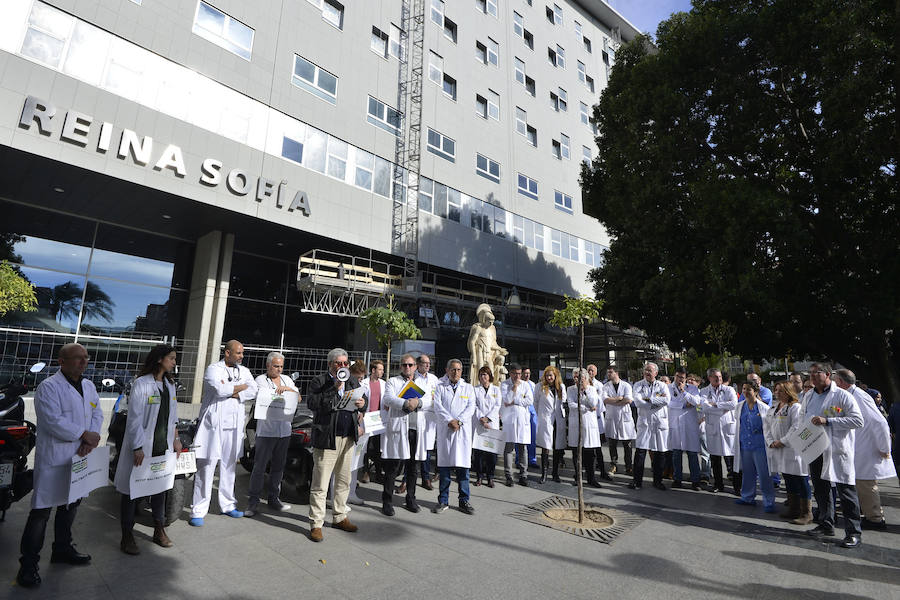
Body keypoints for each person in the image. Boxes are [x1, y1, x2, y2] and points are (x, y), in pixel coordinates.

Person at [16, 343, 104, 588]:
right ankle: (28, 566)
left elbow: (96, 414)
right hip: (56, 459)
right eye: (77, 358)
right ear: (61, 361)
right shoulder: (48, 387)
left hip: (79, 456)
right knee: (41, 512)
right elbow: (52, 420)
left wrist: (92, 437)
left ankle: (62, 549)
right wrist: (83, 435)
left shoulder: (88, 386)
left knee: (72, 504)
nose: (83, 362)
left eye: (85, 358)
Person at [115, 344, 180, 555]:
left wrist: (177, 440)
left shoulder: (169, 385)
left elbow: (173, 418)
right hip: (143, 446)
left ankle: (159, 529)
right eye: (171, 358)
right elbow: (134, 419)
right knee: (132, 491)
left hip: (163, 446)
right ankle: (127, 535)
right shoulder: (141, 384)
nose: (173, 362)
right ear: (160, 359)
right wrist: (137, 447)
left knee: (160, 488)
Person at [190, 340, 257, 525]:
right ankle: (198, 510)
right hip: (214, 425)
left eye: (242, 353)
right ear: (227, 353)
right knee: (207, 466)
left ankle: (228, 505)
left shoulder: (243, 371)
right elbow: (219, 389)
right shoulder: (214, 369)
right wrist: (240, 387)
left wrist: (237, 391)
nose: (241, 356)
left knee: (229, 466)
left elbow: (254, 389)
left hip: (234, 425)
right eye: (238, 353)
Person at [306, 348, 365, 542]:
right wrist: (334, 387)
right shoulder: (319, 381)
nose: (343, 367)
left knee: (343, 480)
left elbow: (361, 403)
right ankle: (316, 523)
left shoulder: (352, 381)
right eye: (339, 363)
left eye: (345, 363)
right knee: (321, 483)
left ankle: (340, 516)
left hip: (347, 438)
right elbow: (313, 404)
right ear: (330, 364)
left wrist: (361, 404)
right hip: (327, 439)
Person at [803, 363, 864, 548]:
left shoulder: (842, 395)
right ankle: (826, 524)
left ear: (828, 374)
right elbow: (803, 419)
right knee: (821, 489)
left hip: (837, 451)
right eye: (810, 373)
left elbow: (857, 420)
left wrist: (828, 421)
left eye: (816, 373)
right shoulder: (808, 395)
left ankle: (853, 532)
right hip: (816, 449)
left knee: (846, 492)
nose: (812, 376)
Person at [837, 373, 894, 530]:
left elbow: (880, 422)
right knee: (860, 485)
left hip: (867, 449)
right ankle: (867, 512)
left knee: (866, 485)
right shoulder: (850, 395)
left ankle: (875, 519)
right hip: (857, 448)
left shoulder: (859, 397)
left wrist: (885, 448)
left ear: (841, 382)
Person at [246, 351, 299, 517]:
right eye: (276, 366)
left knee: (278, 466)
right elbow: (260, 397)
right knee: (259, 467)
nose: (279, 369)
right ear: (268, 365)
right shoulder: (261, 380)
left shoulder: (287, 380)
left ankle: (274, 498)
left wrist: (288, 389)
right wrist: (277, 392)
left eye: (281, 366)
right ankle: (253, 501)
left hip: (284, 430)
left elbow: (298, 397)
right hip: (266, 431)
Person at [381, 354, 424, 515]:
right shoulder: (393, 381)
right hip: (399, 430)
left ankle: (411, 499)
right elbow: (388, 399)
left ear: (415, 367)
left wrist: (418, 402)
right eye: (405, 365)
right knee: (393, 468)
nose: (408, 368)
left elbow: (431, 401)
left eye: (410, 365)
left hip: (416, 430)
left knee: (413, 468)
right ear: (401, 367)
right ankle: (387, 501)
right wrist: (406, 403)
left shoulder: (421, 382)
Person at [433, 360, 476, 514]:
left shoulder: (468, 388)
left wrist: (459, 421)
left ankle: (464, 501)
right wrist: (449, 420)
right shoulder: (440, 387)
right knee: (444, 469)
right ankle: (443, 501)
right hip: (446, 430)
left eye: (458, 370)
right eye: (453, 369)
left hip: (462, 431)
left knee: (463, 470)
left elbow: (471, 407)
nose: (456, 372)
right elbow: (438, 406)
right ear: (447, 370)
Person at [764, 381, 811, 523]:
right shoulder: (773, 408)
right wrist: (770, 441)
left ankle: (806, 513)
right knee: (789, 480)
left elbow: (796, 427)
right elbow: (766, 426)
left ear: (789, 392)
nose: (777, 393)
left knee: (801, 480)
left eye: (781, 391)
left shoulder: (795, 407)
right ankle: (793, 509)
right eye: (776, 390)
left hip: (792, 449)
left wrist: (782, 441)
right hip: (778, 450)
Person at [733, 380, 775, 512]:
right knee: (748, 473)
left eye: (748, 389)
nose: (745, 391)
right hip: (745, 444)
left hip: (760, 446)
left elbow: (770, 428)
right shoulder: (739, 406)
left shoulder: (764, 408)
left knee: (764, 475)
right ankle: (747, 497)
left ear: (756, 392)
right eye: (744, 389)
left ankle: (768, 502)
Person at [629, 363, 670, 490]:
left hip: (659, 423)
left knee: (659, 453)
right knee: (640, 452)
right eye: (646, 370)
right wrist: (656, 401)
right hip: (645, 423)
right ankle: (637, 481)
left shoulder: (662, 385)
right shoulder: (638, 385)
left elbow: (667, 400)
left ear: (656, 373)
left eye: (650, 370)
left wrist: (648, 400)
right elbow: (637, 402)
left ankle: (658, 481)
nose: (647, 372)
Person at [700, 368, 738, 493]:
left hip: (727, 427)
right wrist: (723, 406)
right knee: (715, 459)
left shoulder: (729, 389)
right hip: (713, 428)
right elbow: (704, 407)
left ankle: (738, 486)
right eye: (715, 377)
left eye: (720, 377)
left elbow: (733, 404)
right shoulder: (704, 391)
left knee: (732, 458)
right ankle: (718, 484)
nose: (718, 379)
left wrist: (715, 404)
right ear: (709, 378)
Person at [567, 368, 604, 488]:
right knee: (577, 454)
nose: (577, 380)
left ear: (585, 378)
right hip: (576, 424)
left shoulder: (592, 389)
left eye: (579, 377)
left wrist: (586, 390)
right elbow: (571, 404)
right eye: (575, 377)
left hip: (588, 424)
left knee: (590, 454)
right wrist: (585, 408)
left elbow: (593, 403)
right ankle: (578, 478)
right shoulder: (570, 389)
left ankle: (591, 478)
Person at [667, 368, 703, 490]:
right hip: (675, 424)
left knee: (692, 454)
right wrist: (683, 405)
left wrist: (685, 393)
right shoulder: (668, 388)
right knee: (676, 454)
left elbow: (697, 401)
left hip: (689, 425)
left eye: (682, 377)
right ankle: (677, 479)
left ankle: (695, 481)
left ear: (685, 378)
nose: (679, 379)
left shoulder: (692, 389)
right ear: (674, 376)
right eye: (677, 376)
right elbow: (668, 403)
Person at [501, 364, 533, 486]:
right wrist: (514, 388)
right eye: (515, 373)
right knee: (509, 448)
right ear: (510, 373)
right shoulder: (504, 385)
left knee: (522, 448)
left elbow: (529, 400)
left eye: (520, 373)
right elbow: (506, 401)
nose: (518, 376)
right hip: (509, 420)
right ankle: (509, 475)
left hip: (522, 420)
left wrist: (517, 401)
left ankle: (523, 475)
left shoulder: (525, 385)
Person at [534, 366, 566, 483]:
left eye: (551, 375)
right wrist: (541, 415)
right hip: (546, 419)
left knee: (557, 448)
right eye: (547, 375)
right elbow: (535, 402)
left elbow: (563, 402)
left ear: (555, 375)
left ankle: (555, 473)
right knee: (545, 448)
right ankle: (544, 474)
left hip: (558, 419)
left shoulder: (561, 387)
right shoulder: (539, 387)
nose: (549, 378)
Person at [413, 354, 440, 491]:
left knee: (427, 449)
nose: (428, 365)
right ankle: (407, 480)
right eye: (425, 363)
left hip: (430, 419)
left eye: (429, 363)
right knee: (413, 449)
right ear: (418, 364)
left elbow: (438, 397)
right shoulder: (413, 378)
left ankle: (425, 479)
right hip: (416, 417)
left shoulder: (434, 379)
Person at [603, 366, 635, 476]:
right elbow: (605, 400)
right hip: (612, 418)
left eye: (610, 372)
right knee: (612, 444)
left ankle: (629, 467)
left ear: (616, 373)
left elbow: (629, 400)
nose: (608, 374)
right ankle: (613, 465)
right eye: (608, 372)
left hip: (624, 418)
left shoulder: (626, 385)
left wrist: (614, 402)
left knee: (627, 445)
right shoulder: (606, 386)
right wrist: (619, 398)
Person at [472, 366, 501, 487]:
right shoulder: (475, 390)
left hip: (491, 424)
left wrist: (488, 418)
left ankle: (490, 477)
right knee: (478, 453)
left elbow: (497, 406)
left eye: (485, 374)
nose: (483, 377)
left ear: (490, 376)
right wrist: (481, 418)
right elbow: (474, 405)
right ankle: (479, 476)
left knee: (491, 454)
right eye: (481, 375)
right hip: (479, 424)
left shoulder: (496, 390)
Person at [468, 303, 508, 384]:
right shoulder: (477, 327)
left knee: (491, 371)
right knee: (480, 371)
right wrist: (474, 357)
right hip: (480, 351)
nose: (491, 324)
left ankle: (491, 387)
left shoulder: (492, 329)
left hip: (489, 353)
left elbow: (493, 343)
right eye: (489, 322)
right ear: (484, 319)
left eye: (492, 322)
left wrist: (499, 349)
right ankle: (478, 387)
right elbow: (472, 342)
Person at [360, 360, 386, 485]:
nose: (382, 372)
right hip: (367, 418)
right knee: (365, 446)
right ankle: (365, 471)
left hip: (379, 419)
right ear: (373, 370)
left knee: (377, 447)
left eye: (382, 369)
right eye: (380, 369)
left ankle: (378, 472)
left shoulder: (383, 384)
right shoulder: (364, 383)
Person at [586, 364, 611, 481]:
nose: (590, 372)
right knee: (587, 448)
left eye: (592, 370)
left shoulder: (600, 385)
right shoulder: (583, 384)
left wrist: (594, 410)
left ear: (595, 373)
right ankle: (588, 472)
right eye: (588, 370)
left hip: (597, 418)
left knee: (598, 448)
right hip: (587, 417)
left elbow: (600, 403)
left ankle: (602, 471)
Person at [521, 367, 538, 468]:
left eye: (528, 373)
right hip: (522, 413)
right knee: (521, 439)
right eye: (525, 373)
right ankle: (519, 460)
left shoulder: (533, 385)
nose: (527, 375)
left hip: (532, 413)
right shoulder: (518, 384)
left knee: (532, 438)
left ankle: (532, 460)